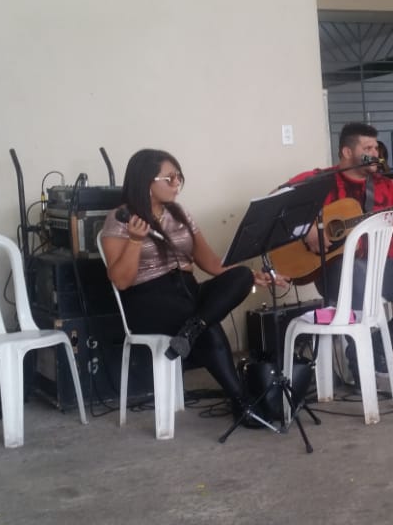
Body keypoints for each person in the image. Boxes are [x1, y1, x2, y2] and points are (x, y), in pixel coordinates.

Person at [101, 148, 283, 417]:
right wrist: (135, 241)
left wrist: (253, 276)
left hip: (186, 291)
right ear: (146, 182)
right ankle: (242, 402)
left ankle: (192, 330)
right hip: (148, 300)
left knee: (242, 276)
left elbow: (212, 263)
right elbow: (121, 281)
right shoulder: (120, 219)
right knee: (207, 325)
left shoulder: (180, 214)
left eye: (179, 177)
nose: (177, 184)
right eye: (169, 178)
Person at [289, 123, 393, 375]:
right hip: (334, 269)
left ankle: (372, 349)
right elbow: (277, 202)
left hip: (385, 266)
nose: (375, 153)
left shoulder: (386, 187)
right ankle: (361, 361)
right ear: (347, 152)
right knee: (356, 275)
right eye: (367, 148)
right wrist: (307, 229)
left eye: (376, 147)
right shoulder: (319, 181)